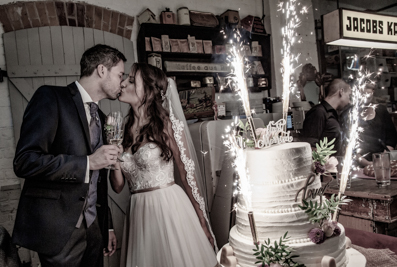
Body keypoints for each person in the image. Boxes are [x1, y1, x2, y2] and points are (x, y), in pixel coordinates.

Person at [12, 44, 126, 267]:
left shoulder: (103, 119)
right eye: (120, 74)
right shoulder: (51, 97)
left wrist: (107, 226)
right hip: (59, 230)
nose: (122, 82)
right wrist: (87, 162)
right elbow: (25, 161)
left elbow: (98, 182)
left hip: (93, 229)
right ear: (102, 70)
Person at [110, 63, 217, 267]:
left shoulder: (167, 125)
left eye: (131, 80)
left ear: (149, 92)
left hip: (168, 208)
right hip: (138, 213)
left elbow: (187, 175)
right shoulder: (122, 129)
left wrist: (202, 221)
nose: (123, 83)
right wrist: (113, 157)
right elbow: (117, 186)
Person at [299, 78, 352, 155]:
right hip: (325, 166)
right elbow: (309, 147)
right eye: (349, 95)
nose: (349, 101)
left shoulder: (333, 114)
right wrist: (326, 162)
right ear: (341, 91)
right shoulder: (318, 112)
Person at [355, 83, 397, 166]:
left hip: (382, 162)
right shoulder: (351, 113)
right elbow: (346, 144)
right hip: (357, 163)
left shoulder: (381, 110)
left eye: (368, 92)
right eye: (362, 93)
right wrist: (365, 163)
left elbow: (391, 138)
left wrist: (382, 158)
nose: (365, 96)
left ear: (373, 91)